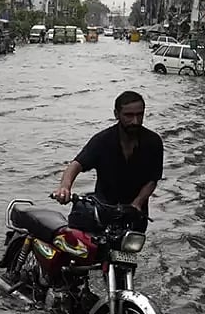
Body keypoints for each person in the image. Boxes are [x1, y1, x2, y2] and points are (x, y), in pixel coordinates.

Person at [52, 90, 163, 229]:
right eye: (128, 115)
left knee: (131, 249)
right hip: (103, 209)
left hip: (135, 212)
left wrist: (137, 203)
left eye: (139, 115)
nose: (135, 121)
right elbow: (76, 165)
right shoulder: (103, 140)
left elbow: (153, 179)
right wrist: (65, 187)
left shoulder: (153, 142)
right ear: (116, 114)